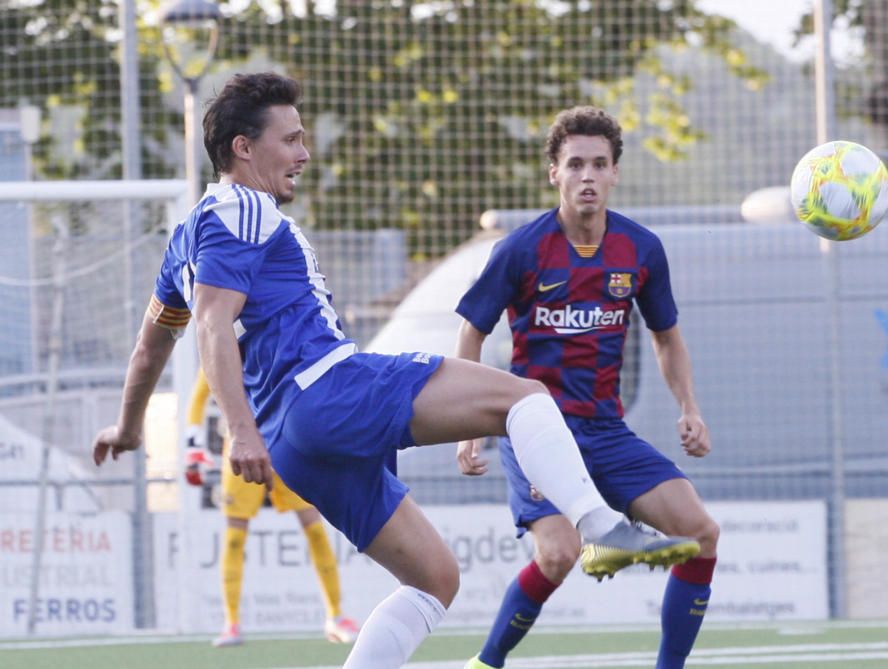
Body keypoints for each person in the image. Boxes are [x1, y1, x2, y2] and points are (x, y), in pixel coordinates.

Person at [91, 72, 696, 669]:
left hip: (296, 442)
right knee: (525, 398)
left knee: (434, 579)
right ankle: (601, 527)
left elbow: (151, 347)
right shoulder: (242, 207)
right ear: (243, 149)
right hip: (327, 392)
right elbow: (211, 323)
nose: (304, 153)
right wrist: (238, 430)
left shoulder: (182, 243)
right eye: (292, 139)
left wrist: (128, 426)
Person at [455, 106, 719, 669]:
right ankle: (488, 663)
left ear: (615, 173)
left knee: (702, 533)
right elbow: (471, 334)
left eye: (599, 164)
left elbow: (667, 337)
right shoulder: (522, 249)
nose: (588, 176)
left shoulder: (640, 250)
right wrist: (468, 427)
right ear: (554, 172)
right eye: (575, 164)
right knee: (558, 554)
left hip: (604, 431)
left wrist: (689, 407)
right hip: (536, 432)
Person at [184, 368, 359, 647]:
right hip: (241, 451)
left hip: (285, 444)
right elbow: (197, 399)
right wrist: (193, 448)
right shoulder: (218, 340)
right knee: (233, 539)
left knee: (314, 528)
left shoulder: (271, 338)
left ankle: (336, 616)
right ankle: (231, 623)